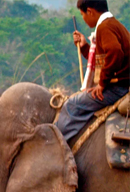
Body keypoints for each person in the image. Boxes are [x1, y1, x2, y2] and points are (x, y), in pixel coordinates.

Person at [56, 0, 130, 142]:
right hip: (121, 85)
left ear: (90, 11)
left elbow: (115, 52)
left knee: (72, 105)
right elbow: (105, 60)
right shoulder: (113, 24)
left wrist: (102, 84)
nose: (83, 18)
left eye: (82, 14)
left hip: (117, 88)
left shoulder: (104, 27)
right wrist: (85, 47)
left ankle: (59, 145)